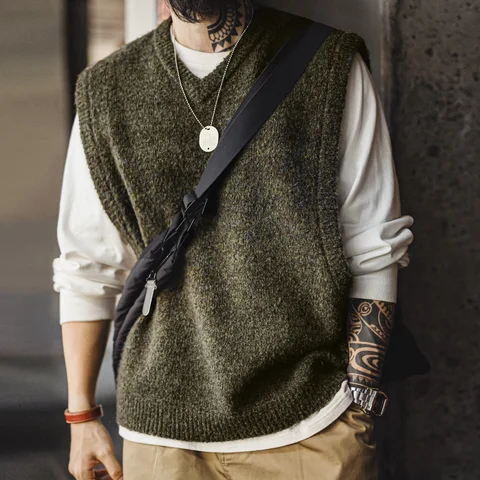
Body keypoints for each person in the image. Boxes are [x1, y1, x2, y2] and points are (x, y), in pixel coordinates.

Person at [52, 1, 414, 479]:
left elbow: (374, 246)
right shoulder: (106, 90)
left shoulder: (327, 63)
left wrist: (358, 405)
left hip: (312, 426)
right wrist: (82, 417)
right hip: (160, 435)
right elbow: (88, 267)